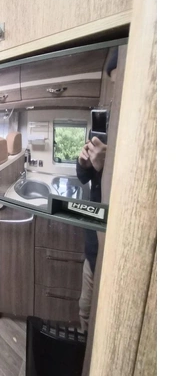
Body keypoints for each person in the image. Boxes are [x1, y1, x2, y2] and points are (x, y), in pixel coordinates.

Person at [76, 136, 107, 333]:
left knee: (105, 318)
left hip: (112, 245)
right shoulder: (100, 135)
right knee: (85, 310)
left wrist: (106, 165)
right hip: (94, 245)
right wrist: (82, 163)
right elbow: (83, 177)